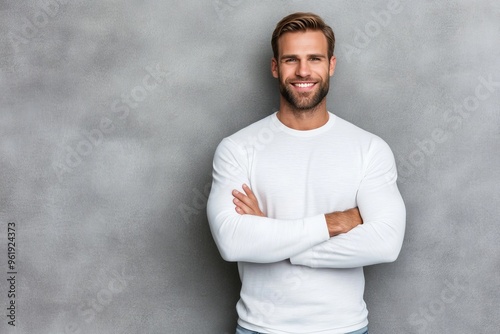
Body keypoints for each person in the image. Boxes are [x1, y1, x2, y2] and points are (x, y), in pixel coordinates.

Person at [207, 12, 406, 334]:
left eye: (314, 58)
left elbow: (385, 244)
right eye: (291, 59)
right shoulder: (238, 148)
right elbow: (232, 242)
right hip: (260, 328)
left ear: (331, 65)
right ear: (275, 67)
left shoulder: (369, 148)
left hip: (345, 329)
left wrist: (272, 238)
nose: (303, 71)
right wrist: (335, 222)